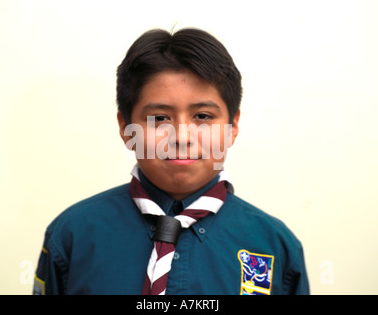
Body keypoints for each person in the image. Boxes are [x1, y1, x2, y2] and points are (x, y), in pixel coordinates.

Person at [33, 28, 309, 295]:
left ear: (232, 126)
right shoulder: (72, 236)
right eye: (160, 118)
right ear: (126, 127)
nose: (182, 137)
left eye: (203, 116)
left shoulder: (274, 246)